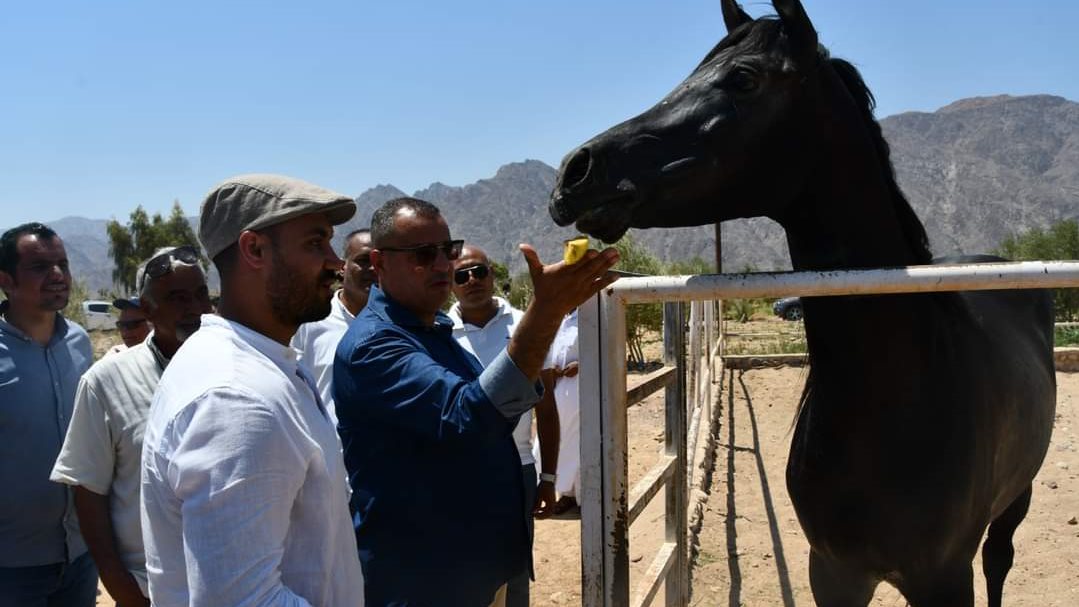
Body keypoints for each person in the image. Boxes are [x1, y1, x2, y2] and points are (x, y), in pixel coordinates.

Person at [334, 197, 618, 606]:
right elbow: (471, 415)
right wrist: (547, 311)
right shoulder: (375, 346)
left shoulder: (435, 331)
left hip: (474, 570)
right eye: (422, 254)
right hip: (427, 582)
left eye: (446, 251)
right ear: (379, 263)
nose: (440, 265)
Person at [139, 174, 366, 606]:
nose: (336, 262)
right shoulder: (235, 396)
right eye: (316, 243)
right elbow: (242, 599)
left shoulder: (259, 363)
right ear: (254, 250)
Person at [50, 246, 211, 606]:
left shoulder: (233, 366)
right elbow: (88, 491)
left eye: (201, 294)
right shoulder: (107, 381)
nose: (195, 309)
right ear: (147, 307)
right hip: (149, 587)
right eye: (177, 298)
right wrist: (120, 586)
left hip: (232, 576)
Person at [447, 243, 560, 607]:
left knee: (513, 570)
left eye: (479, 271)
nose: (471, 281)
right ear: (450, 284)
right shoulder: (438, 333)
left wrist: (549, 478)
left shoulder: (523, 326)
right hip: (455, 472)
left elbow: (546, 407)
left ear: (492, 273)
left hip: (517, 470)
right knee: (458, 567)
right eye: (460, 275)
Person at [0, 222, 98, 606]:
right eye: (40, 267)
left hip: (80, 554)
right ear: (5, 280)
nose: (58, 275)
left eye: (62, 263)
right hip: (11, 568)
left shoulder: (80, 342)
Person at [292, 228, 375, 422]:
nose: (373, 269)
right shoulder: (311, 321)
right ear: (343, 266)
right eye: (364, 260)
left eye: (379, 262)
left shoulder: (399, 321)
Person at [539, 309, 581, 515]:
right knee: (562, 436)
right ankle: (565, 491)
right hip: (559, 386)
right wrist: (552, 368)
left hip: (581, 386)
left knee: (577, 438)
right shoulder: (562, 317)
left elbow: (606, 346)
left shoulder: (591, 314)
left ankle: (574, 494)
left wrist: (582, 364)